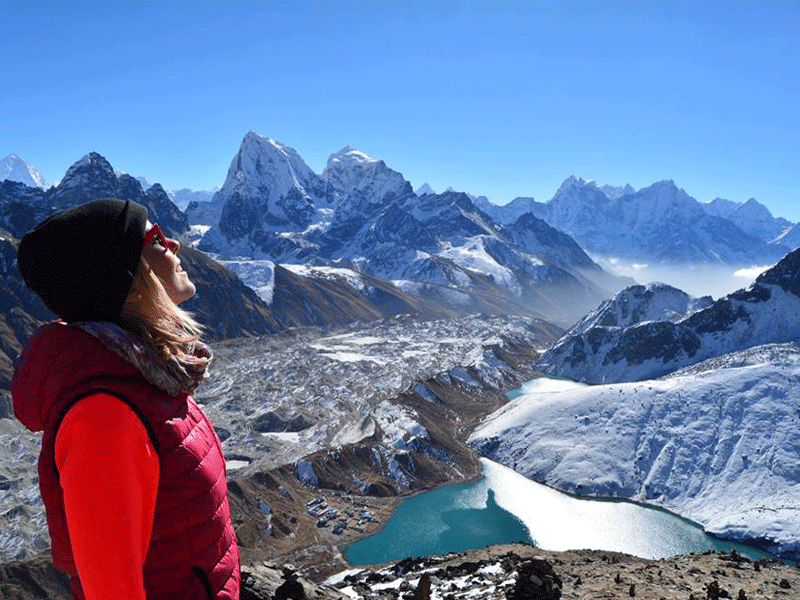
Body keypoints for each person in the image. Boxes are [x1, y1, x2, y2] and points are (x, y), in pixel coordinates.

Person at [12, 199, 240, 600]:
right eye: (155, 238)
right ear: (127, 280)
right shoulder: (104, 418)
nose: (175, 245)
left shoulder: (148, 374)